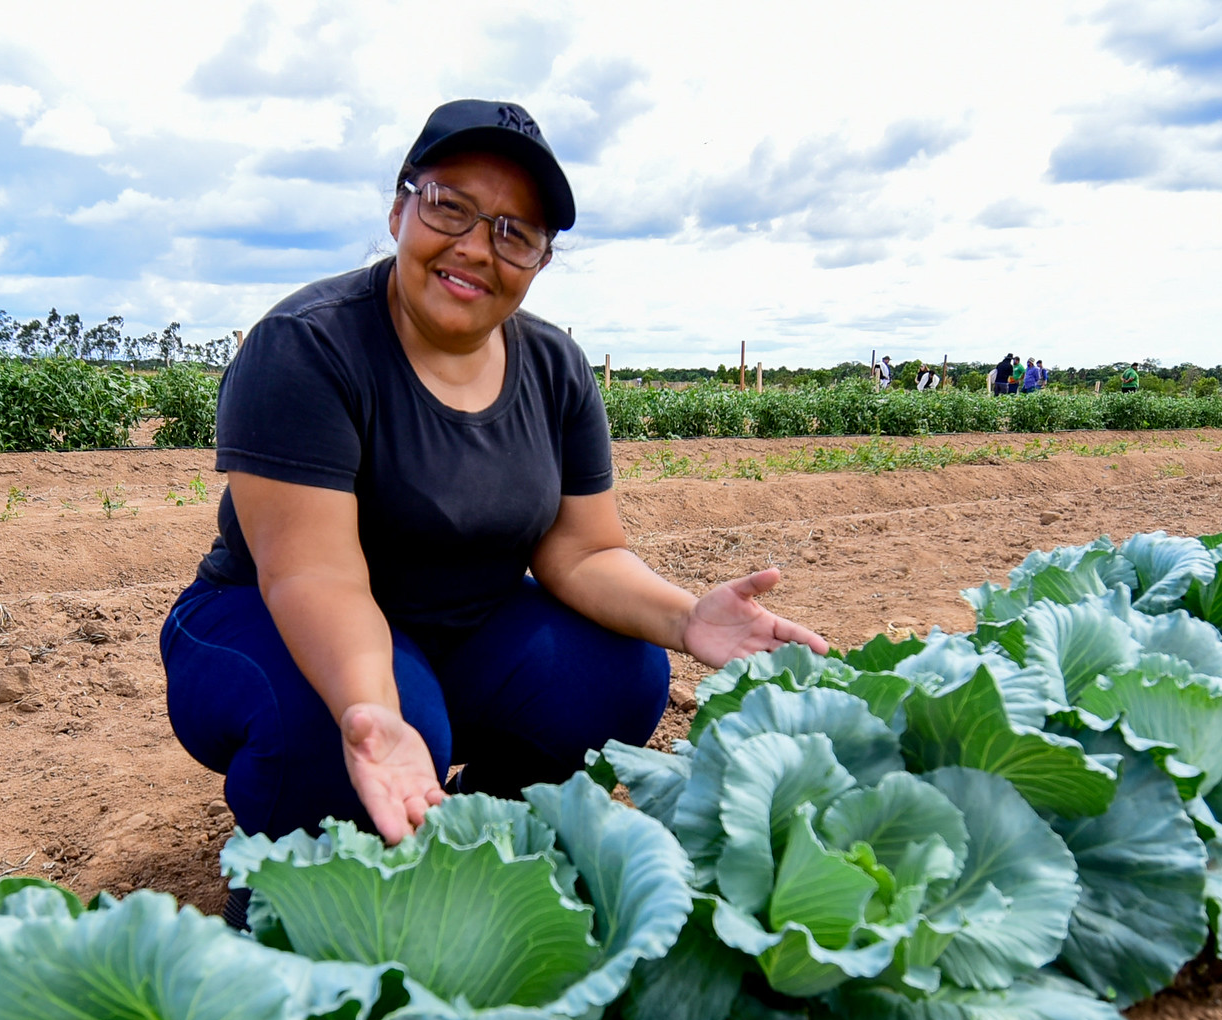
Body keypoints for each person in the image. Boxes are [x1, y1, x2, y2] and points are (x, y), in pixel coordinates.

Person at [160, 99, 827, 917]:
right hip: (266, 617)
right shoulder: (308, 345)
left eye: (516, 232)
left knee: (620, 669)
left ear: (541, 261)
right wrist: (371, 706)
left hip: (458, 629)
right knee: (362, 727)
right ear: (401, 207)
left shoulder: (554, 367)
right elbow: (315, 573)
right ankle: (282, 899)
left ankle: (489, 835)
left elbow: (582, 552)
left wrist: (688, 618)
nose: (478, 246)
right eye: (452, 207)